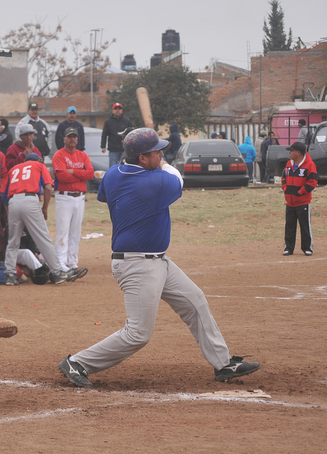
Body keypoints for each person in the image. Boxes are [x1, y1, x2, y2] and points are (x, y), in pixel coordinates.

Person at [58, 128, 261, 388]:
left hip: (157, 261)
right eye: (156, 151)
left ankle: (223, 363)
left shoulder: (113, 175)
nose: (162, 154)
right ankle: (79, 362)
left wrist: (153, 158)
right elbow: (177, 178)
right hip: (137, 264)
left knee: (195, 301)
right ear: (142, 158)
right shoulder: (155, 182)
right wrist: (163, 164)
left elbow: (110, 193)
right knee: (138, 334)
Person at [3, 152, 87, 286]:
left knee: (13, 240)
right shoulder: (40, 166)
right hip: (30, 199)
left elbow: (4, 195)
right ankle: (57, 271)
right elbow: (48, 187)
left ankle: (10, 275)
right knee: (43, 238)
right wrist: (45, 208)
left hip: (13, 201)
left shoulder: (14, 169)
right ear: (39, 160)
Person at [52, 127, 94, 272]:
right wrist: (80, 174)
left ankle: (72, 262)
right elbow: (61, 176)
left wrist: (73, 171)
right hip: (64, 197)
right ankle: (60, 262)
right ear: (64, 139)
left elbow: (90, 174)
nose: (72, 139)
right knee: (63, 231)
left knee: (76, 231)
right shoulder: (59, 155)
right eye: (69, 136)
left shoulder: (82, 155)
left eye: (74, 137)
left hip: (79, 197)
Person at [282, 141, 317, 256]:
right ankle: (288, 247)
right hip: (290, 202)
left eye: (291, 151)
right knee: (289, 225)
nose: (289, 153)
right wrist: (285, 188)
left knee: (305, 225)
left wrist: (300, 192)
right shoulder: (288, 164)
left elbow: (312, 182)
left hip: (303, 202)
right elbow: (283, 177)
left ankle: (307, 247)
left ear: (298, 152)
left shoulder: (310, 165)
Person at [100, 102, 132, 167]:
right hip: (113, 150)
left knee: (125, 166)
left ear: (122, 110)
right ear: (112, 110)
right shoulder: (108, 122)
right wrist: (103, 146)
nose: (117, 110)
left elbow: (131, 134)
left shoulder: (127, 121)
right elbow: (104, 134)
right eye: (116, 109)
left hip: (124, 150)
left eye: (119, 109)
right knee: (113, 167)